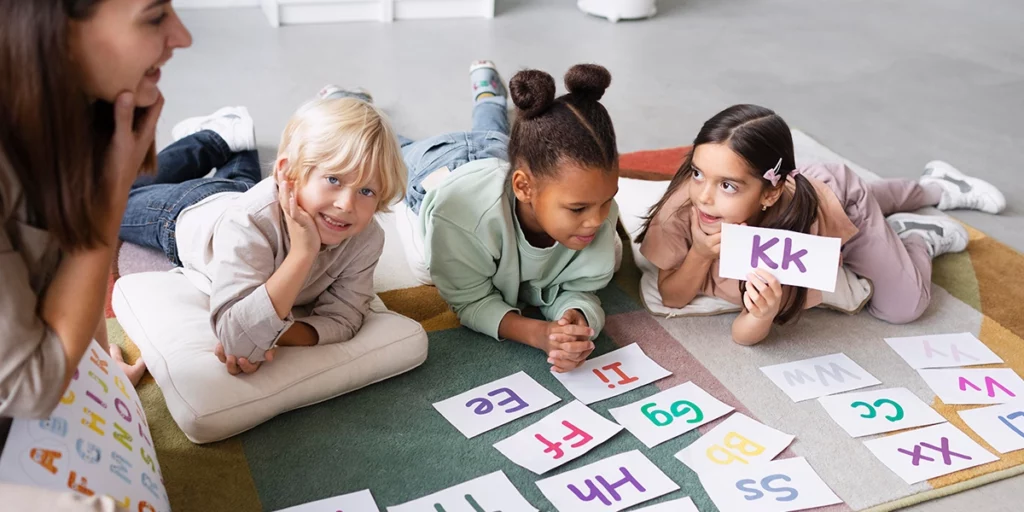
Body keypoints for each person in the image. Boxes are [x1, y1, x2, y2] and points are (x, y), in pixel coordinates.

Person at [637, 104, 1006, 345]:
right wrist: (701, 255)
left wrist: (765, 309)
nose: (703, 197)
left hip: (832, 198)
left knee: (903, 305)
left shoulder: (799, 223)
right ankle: (926, 191)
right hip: (809, 192)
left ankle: (919, 232)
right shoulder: (684, 207)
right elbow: (673, 296)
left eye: (727, 185)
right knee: (865, 199)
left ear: (768, 194)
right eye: (699, 173)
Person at [1, 0, 191, 418]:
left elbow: (71, 252)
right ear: (57, 31)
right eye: (155, 16)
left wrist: (101, 365)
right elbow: (28, 388)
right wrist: (112, 196)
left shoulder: (70, 106)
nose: (183, 37)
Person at [119, 98, 406, 375]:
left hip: (244, 193)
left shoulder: (366, 238)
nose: (346, 204)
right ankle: (211, 140)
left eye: (366, 191)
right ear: (287, 175)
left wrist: (271, 333)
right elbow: (237, 337)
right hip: (186, 210)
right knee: (111, 200)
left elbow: (344, 319)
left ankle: (236, 143)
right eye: (334, 179)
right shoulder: (247, 221)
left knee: (240, 181)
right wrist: (302, 253)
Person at [390, 61, 622, 373]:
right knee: (387, 146)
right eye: (578, 209)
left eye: (608, 201)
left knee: (492, 133)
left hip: (497, 156)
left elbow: (579, 287)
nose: (597, 220)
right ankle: (350, 102)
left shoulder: (591, 209)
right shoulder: (460, 220)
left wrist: (574, 317)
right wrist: (538, 333)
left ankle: (487, 93)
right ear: (524, 187)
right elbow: (471, 302)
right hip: (437, 168)